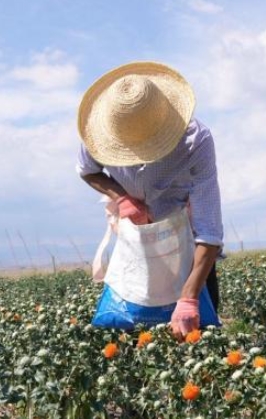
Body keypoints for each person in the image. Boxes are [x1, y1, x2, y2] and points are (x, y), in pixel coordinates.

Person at [75, 61, 224, 339]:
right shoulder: (98, 135)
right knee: (133, 329)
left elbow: (209, 230)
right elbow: (88, 171)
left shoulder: (196, 141)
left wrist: (189, 298)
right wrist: (120, 197)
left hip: (184, 238)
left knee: (199, 330)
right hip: (135, 238)